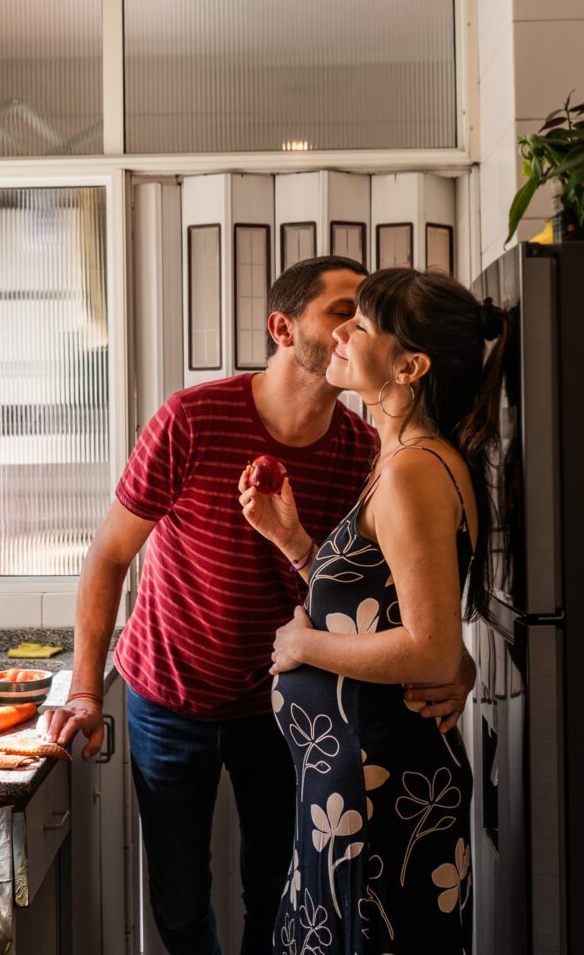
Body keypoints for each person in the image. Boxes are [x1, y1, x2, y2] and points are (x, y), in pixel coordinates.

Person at [41, 256, 478, 955]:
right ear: (282, 327)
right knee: (179, 904)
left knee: (278, 898)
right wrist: (87, 691)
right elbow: (108, 558)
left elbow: (379, 599)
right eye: (343, 312)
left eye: (361, 320)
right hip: (167, 698)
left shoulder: (368, 452)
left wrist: (451, 661)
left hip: (283, 720)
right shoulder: (191, 419)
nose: (347, 332)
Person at [238, 268, 506, 955]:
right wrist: (296, 544)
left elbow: (430, 651)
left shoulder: (415, 469)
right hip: (355, 788)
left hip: (379, 796)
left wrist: (302, 648)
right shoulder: (401, 460)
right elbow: (378, 607)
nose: (341, 334)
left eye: (359, 325)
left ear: (409, 365)